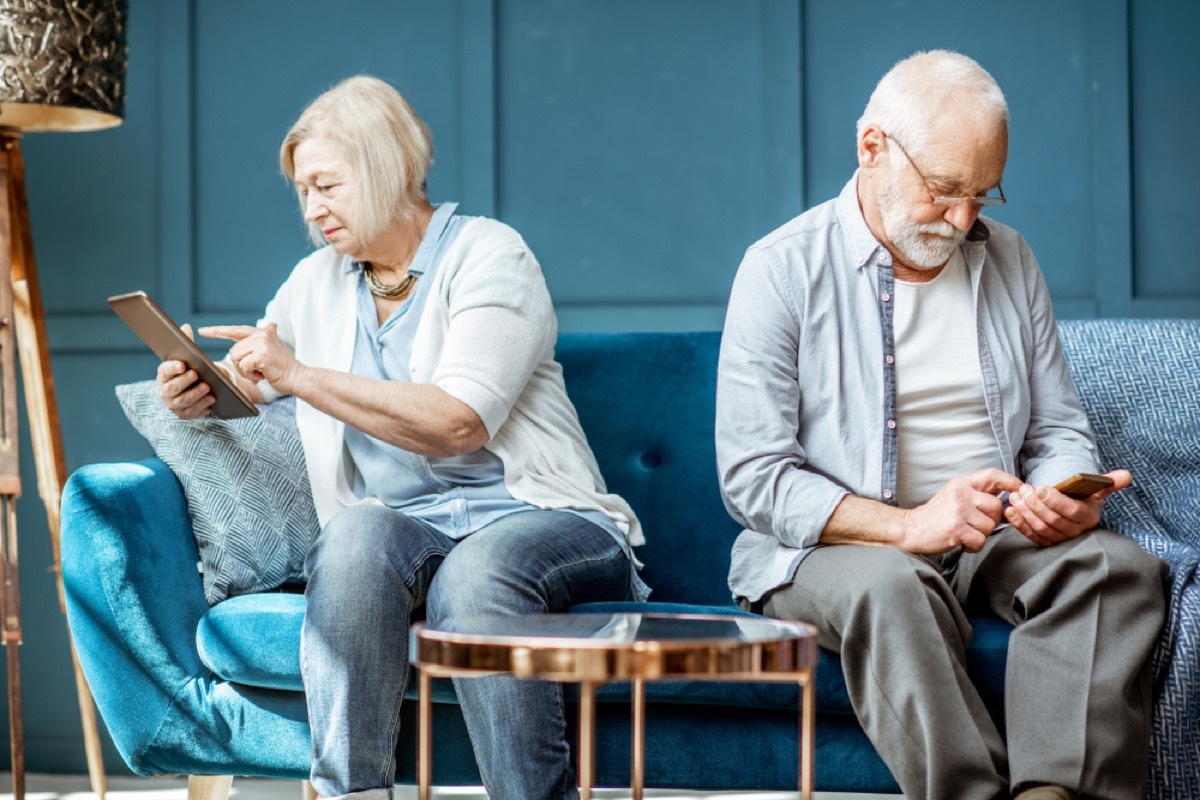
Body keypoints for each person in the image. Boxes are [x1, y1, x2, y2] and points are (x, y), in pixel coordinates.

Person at [156, 75, 648, 800]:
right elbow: (258, 378)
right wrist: (204, 395)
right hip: (410, 536)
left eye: (327, 184)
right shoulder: (314, 282)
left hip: (542, 519)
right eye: (302, 191)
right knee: (354, 538)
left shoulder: (490, 254)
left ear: (385, 166)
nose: (312, 208)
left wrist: (297, 375)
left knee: (477, 577)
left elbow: (458, 421)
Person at [715, 51, 1166, 800]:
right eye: (945, 190)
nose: (963, 220)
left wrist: (1058, 493)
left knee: (1118, 568)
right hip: (838, 547)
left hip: (991, 532)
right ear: (872, 149)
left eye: (983, 196)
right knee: (891, 586)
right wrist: (907, 526)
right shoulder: (780, 270)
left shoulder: (1011, 261)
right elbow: (754, 476)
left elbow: (1057, 428)